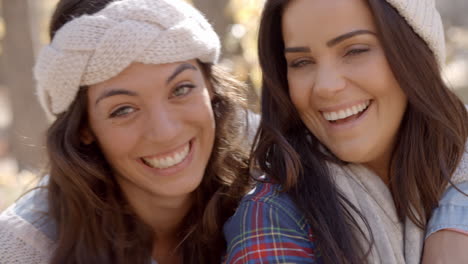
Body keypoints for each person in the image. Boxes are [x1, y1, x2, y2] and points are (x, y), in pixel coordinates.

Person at [0, 0, 252, 263]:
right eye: (123, 110)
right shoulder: (21, 251)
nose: (165, 132)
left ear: (210, 87)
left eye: (181, 89)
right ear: (84, 128)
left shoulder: (273, 168)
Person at [224, 0, 468, 263]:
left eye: (355, 50)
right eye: (301, 62)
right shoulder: (270, 219)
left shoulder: (455, 170)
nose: (326, 86)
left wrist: (455, 218)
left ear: (416, 50)